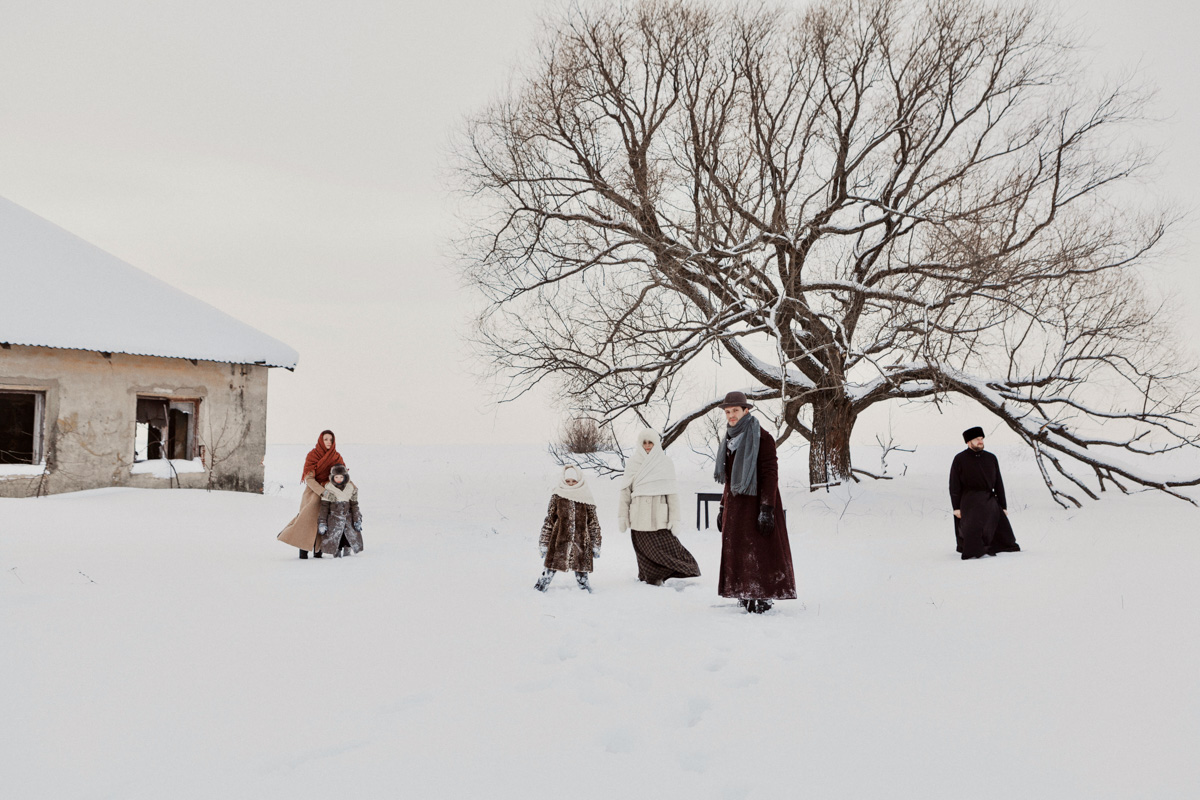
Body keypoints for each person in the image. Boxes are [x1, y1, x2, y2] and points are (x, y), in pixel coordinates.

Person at [714, 391, 797, 614]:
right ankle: (743, 591)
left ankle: (763, 594)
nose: (731, 415)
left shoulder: (762, 437)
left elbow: (770, 473)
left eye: (735, 411)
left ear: (746, 410)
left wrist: (767, 508)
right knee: (739, 551)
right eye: (728, 411)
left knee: (760, 551)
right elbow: (729, 478)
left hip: (757, 504)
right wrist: (723, 506)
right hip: (736, 505)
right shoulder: (729, 438)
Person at [617, 427, 700, 585]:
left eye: (651, 442)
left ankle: (682, 572)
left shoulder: (665, 463)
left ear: (656, 444)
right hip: (639, 516)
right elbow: (625, 492)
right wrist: (623, 516)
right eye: (644, 443)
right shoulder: (633, 463)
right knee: (645, 551)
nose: (647, 446)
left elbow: (672, 495)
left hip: (659, 516)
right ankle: (652, 578)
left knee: (669, 549)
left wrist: (674, 519)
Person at [950, 426, 1021, 560]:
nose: (980, 441)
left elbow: (998, 482)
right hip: (969, 499)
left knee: (1004, 534)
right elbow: (954, 485)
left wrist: (1003, 505)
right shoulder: (959, 459)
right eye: (977, 439)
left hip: (989, 498)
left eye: (981, 439)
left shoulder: (991, 458)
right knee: (972, 528)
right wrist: (956, 507)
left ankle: (995, 546)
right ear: (968, 442)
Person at [277, 430, 344, 559]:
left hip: (329, 494)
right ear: (320, 440)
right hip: (312, 493)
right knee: (305, 520)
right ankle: (302, 549)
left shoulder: (337, 457)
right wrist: (322, 491)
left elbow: (342, 477)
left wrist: (343, 490)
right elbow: (309, 479)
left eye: (331, 439)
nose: (328, 442)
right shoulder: (313, 455)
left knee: (323, 522)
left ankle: (318, 550)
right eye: (326, 439)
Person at [535, 465, 602, 593]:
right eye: (568, 481)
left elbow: (593, 523)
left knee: (581, 567)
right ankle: (540, 587)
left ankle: (585, 591)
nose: (571, 484)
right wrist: (544, 543)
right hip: (559, 540)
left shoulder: (586, 497)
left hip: (581, 541)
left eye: (574, 481)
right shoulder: (558, 496)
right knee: (551, 566)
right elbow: (549, 521)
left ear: (579, 480)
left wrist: (596, 544)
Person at [318, 464, 364, 558]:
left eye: (341, 477)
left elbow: (354, 505)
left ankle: (348, 554)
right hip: (334, 520)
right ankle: (336, 554)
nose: (339, 479)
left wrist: (357, 519)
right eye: (336, 477)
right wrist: (322, 522)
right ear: (332, 477)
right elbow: (324, 507)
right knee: (336, 538)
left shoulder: (350, 488)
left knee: (348, 537)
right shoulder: (328, 488)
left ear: (345, 477)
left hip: (348, 519)